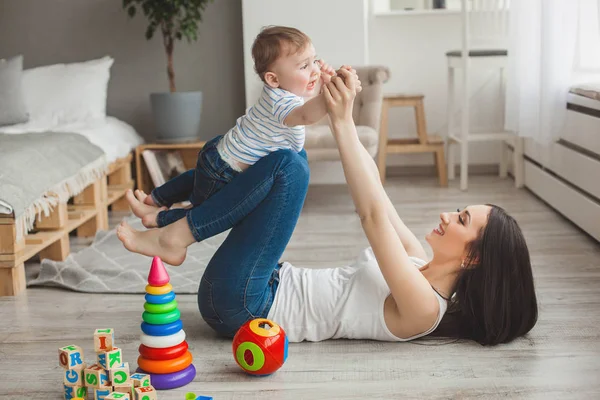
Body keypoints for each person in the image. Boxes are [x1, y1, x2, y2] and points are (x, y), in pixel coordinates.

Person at [117, 68, 538, 346]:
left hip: (243, 308)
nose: (448, 215)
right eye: (458, 211)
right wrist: (344, 108)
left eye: (463, 220)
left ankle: (176, 231)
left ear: (474, 256)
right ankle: (177, 220)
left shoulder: (426, 309)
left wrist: (339, 122)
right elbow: (378, 191)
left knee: (288, 165)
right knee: (289, 158)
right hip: (259, 285)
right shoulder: (418, 261)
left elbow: (372, 217)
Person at [127, 26, 338, 230]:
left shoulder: (279, 93)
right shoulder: (283, 104)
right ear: (273, 79)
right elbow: (307, 115)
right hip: (225, 172)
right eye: (304, 66)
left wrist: (321, 83)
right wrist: (331, 92)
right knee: (207, 212)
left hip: (219, 155)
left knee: (196, 177)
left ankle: (154, 199)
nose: (315, 71)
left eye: (315, 61)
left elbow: (306, 104)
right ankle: (158, 217)